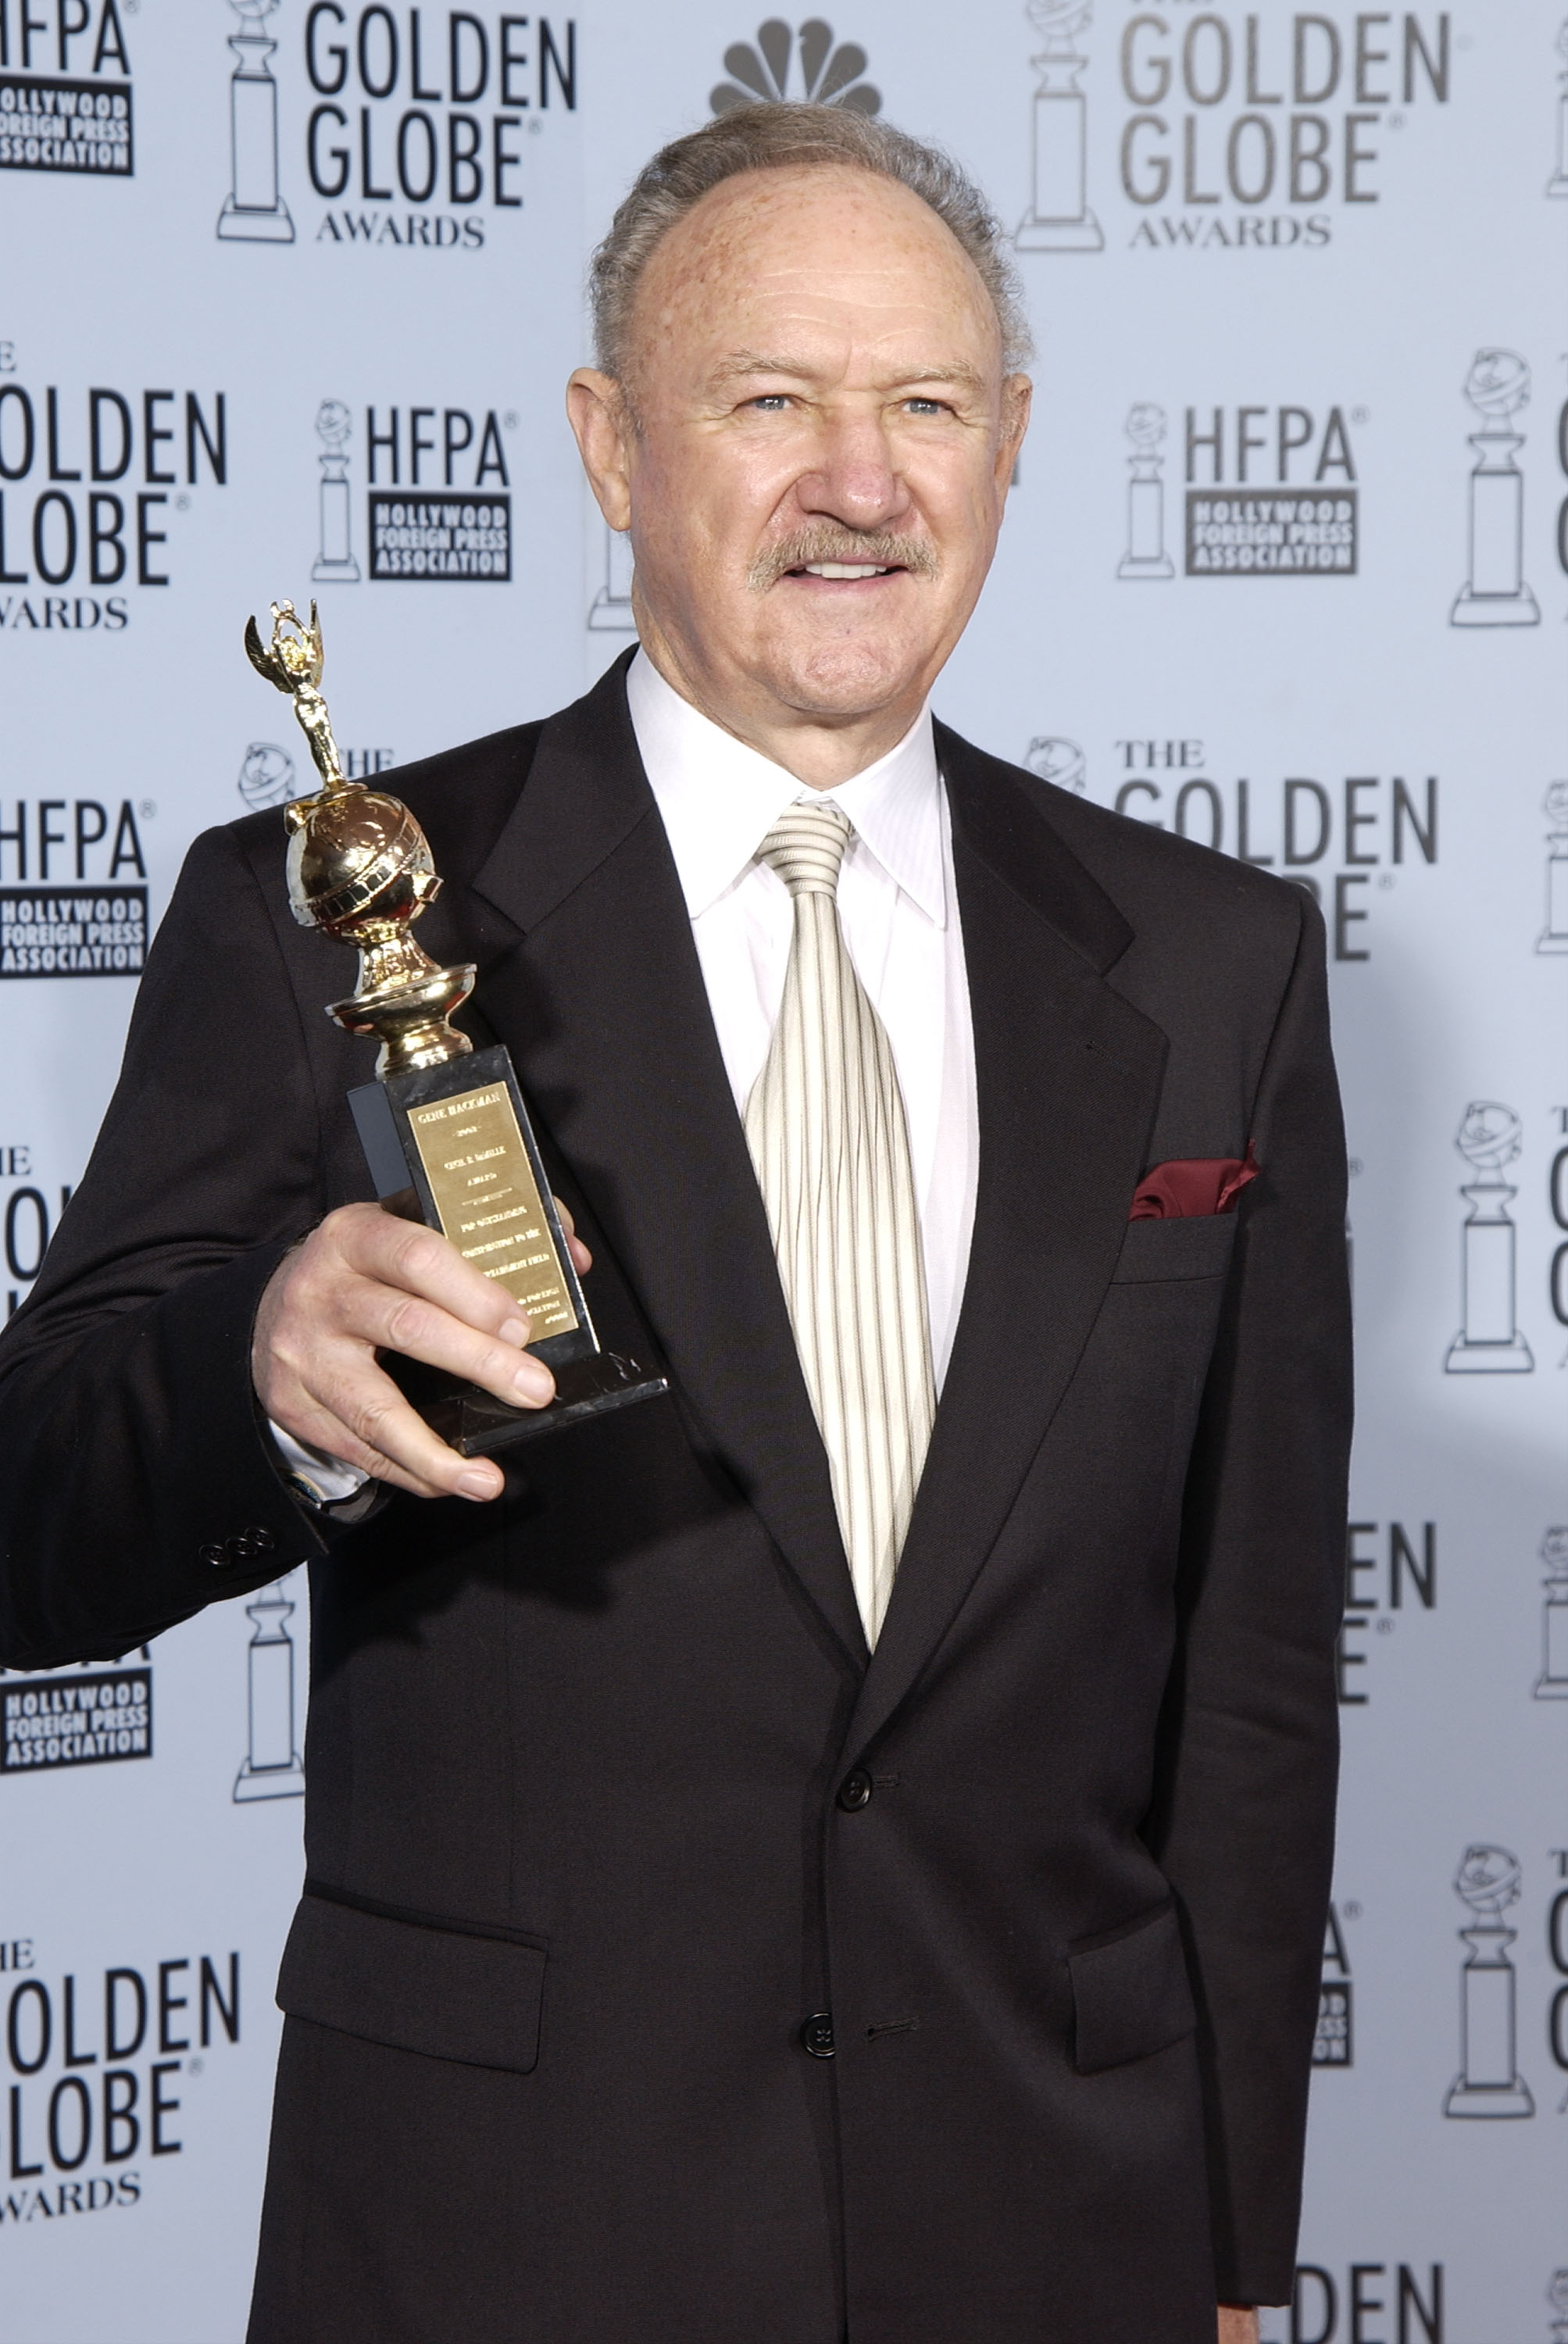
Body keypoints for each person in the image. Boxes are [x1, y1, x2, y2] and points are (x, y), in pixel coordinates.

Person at [0, 104, 1351, 2344]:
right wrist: (260, 1372)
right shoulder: (325, 915)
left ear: (1010, 446)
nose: (861, 479)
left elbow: (1252, 1677)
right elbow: (29, 1517)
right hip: (511, 2235)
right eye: (769, 401)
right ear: (613, 449)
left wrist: (1225, 2252)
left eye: (924, 402)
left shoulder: (1216, 965)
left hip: (1059, 2231)